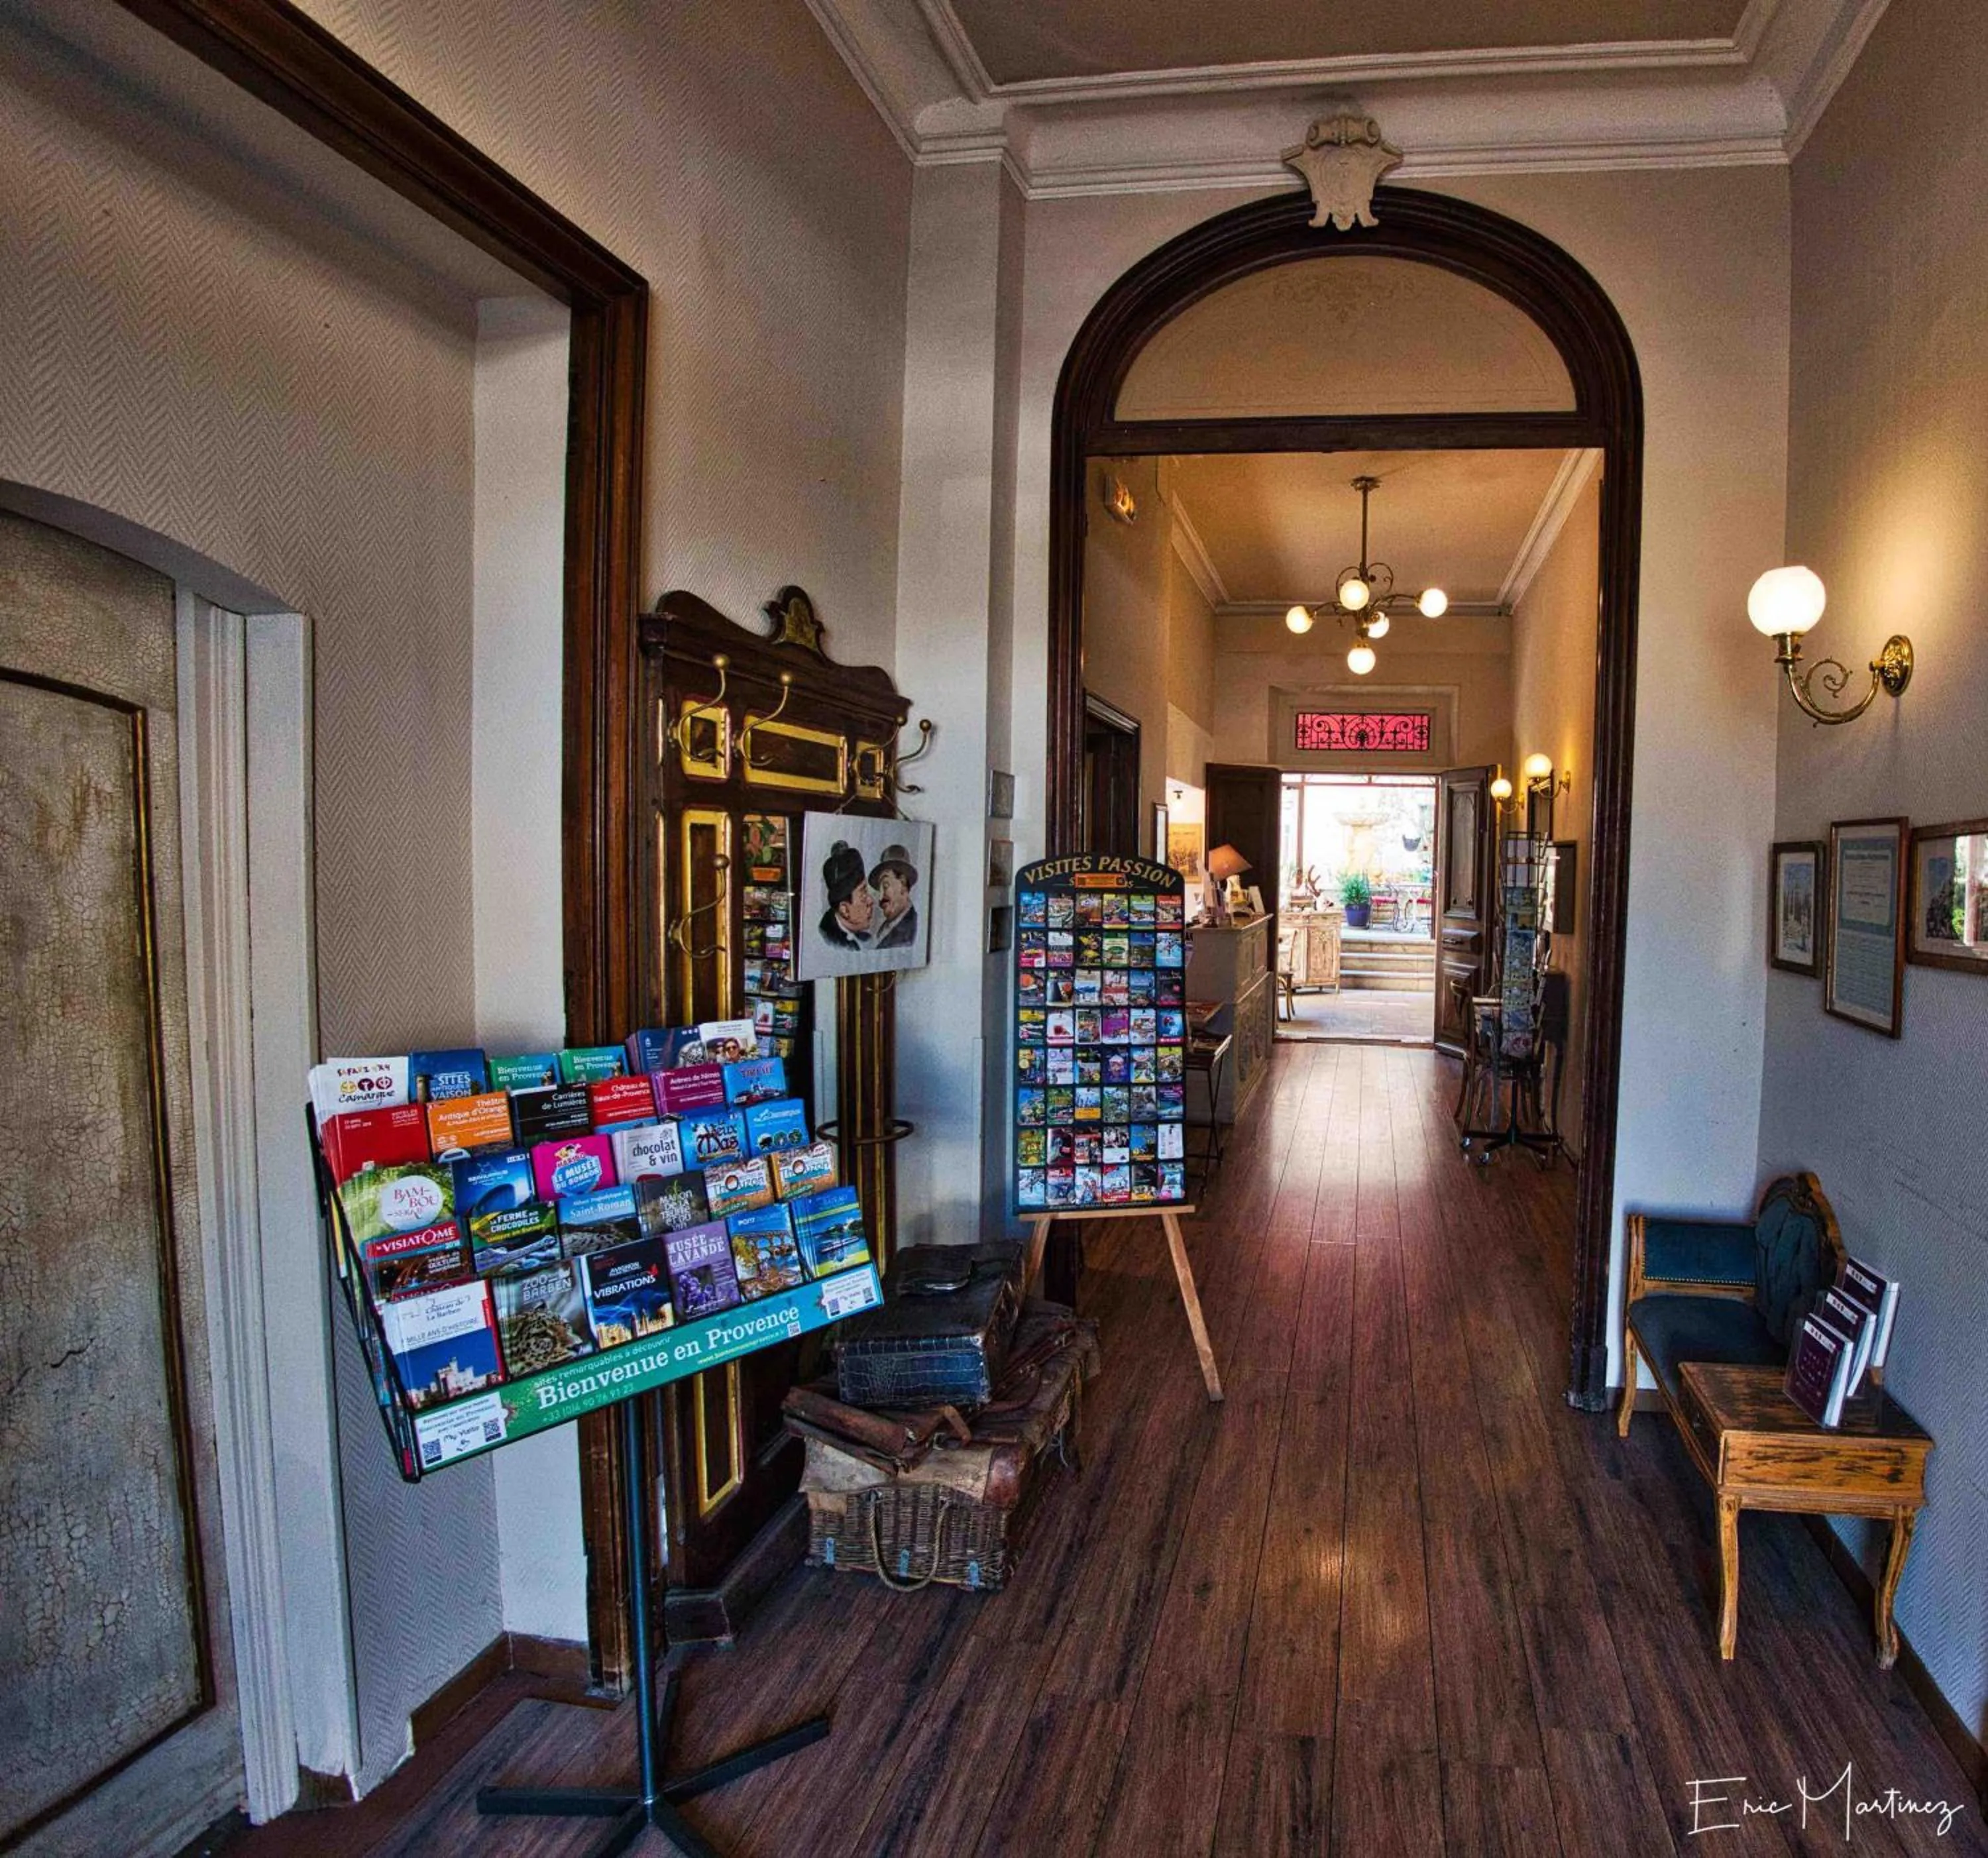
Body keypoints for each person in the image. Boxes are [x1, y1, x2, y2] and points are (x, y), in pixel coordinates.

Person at [817, 841, 875, 950]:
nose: (871, 901)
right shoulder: (830, 942)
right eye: (863, 895)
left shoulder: (866, 939)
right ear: (845, 910)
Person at [871, 844, 920, 950]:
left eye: (886, 885)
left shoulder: (911, 931)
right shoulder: (886, 927)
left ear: (902, 884)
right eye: (880, 889)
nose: (881, 898)